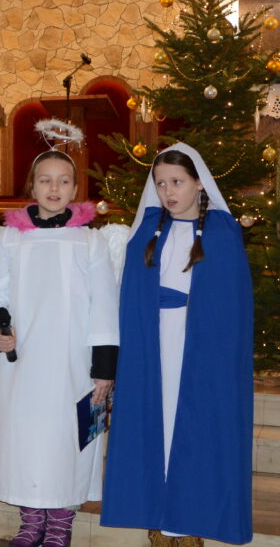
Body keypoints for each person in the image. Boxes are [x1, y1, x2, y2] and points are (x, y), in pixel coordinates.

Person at [101, 143, 253, 547]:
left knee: (195, 430)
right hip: (152, 348)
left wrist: (215, 352)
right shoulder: (148, 230)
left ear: (199, 183)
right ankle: (159, 519)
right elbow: (131, 294)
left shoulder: (221, 232)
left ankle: (188, 524)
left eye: (178, 182)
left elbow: (232, 307)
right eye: (161, 183)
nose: (168, 191)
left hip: (201, 351)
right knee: (158, 425)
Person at [0, 129, 119, 547]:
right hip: (26, 362)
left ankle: (60, 521)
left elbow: (104, 305)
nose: (54, 188)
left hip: (75, 362)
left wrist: (103, 368)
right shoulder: (11, 238)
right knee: (26, 437)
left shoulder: (90, 242)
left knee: (68, 440)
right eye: (45, 180)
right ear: (33, 186)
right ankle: (30, 520)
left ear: (75, 190)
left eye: (63, 181)